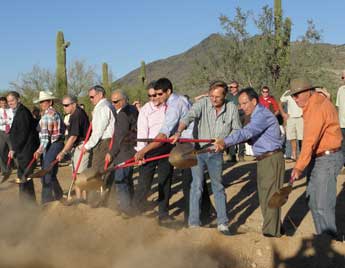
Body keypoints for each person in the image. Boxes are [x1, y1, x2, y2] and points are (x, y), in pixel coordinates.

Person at [135, 78, 212, 225]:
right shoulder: (177, 101)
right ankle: (204, 214)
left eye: (159, 94)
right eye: (154, 95)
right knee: (194, 180)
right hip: (184, 144)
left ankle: (193, 220)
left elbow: (163, 134)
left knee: (189, 182)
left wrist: (143, 150)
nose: (157, 98)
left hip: (189, 145)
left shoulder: (175, 105)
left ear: (168, 91)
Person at [172, 80, 241, 235]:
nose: (214, 99)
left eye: (217, 97)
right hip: (198, 152)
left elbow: (237, 131)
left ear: (225, 96)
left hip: (216, 153)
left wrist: (224, 142)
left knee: (218, 186)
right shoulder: (202, 103)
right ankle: (194, 223)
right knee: (196, 185)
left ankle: (223, 223)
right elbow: (188, 117)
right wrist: (178, 132)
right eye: (211, 96)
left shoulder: (231, 108)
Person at [214, 87, 285, 238]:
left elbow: (247, 132)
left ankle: (271, 233)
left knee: (270, 196)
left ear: (254, 101)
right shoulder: (256, 115)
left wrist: (225, 142)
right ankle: (274, 228)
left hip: (271, 159)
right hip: (264, 159)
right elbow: (249, 135)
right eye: (240, 104)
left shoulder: (261, 115)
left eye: (245, 103)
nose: (242, 107)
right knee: (265, 195)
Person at [289, 78, 343, 238]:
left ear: (308, 91)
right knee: (312, 199)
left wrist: (298, 167)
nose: (295, 98)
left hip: (327, 158)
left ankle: (329, 242)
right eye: (293, 96)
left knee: (322, 204)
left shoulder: (317, 107)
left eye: (297, 95)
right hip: (319, 157)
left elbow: (309, 141)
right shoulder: (312, 104)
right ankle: (322, 238)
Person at [134, 81, 174, 219]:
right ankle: (136, 209)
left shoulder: (169, 107)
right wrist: (141, 152)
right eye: (150, 96)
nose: (153, 98)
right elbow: (142, 133)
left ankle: (163, 213)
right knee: (144, 182)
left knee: (165, 180)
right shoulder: (145, 109)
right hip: (149, 148)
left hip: (167, 146)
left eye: (156, 95)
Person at [105, 90, 138, 217]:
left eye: (116, 101)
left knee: (121, 180)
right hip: (131, 149)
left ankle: (126, 208)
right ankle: (131, 206)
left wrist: (111, 153)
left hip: (124, 151)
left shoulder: (123, 114)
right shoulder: (132, 109)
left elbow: (119, 137)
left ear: (124, 100)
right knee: (128, 179)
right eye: (112, 101)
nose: (113, 104)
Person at [56, 95, 90, 204]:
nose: (64, 107)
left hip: (82, 146)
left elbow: (74, 136)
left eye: (66, 105)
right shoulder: (74, 114)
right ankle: (81, 198)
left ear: (74, 104)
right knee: (77, 174)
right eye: (63, 105)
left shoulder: (77, 115)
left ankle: (83, 200)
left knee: (80, 175)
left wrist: (63, 152)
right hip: (77, 147)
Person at [6, 91, 39, 202]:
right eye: (9, 101)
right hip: (22, 150)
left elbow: (23, 134)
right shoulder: (18, 112)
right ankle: (26, 203)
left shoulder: (23, 113)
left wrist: (14, 148)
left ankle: (28, 204)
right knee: (23, 175)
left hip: (26, 150)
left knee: (24, 176)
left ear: (18, 99)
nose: (10, 103)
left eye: (12, 100)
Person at [33, 91, 65, 204]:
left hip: (53, 144)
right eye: (41, 102)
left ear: (50, 102)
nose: (42, 104)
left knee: (46, 172)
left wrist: (39, 150)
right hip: (58, 144)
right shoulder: (56, 113)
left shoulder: (47, 116)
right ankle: (59, 194)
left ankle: (46, 201)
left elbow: (46, 138)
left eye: (44, 102)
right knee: (50, 172)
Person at [81, 85, 115, 174]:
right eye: (89, 97)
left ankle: (102, 187)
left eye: (92, 97)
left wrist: (87, 146)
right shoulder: (108, 105)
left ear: (100, 94)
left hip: (104, 142)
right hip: (107, 141)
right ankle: (108, 187)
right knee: (107, 170)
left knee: (98, 171)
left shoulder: (102, 107)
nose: (90, 99)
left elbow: (98, 131)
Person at [279, 90, 304, 161]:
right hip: (291, 118)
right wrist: (283, 114)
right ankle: (294, 154)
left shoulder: (301, 91)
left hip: (300, 117)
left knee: (301, 137)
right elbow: (280, 103)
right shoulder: (288, 93)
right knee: (292, 137)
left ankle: (302, 154)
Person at [226, 80, 245, 163]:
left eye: (233, 87)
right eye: (230, 87)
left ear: (237, 88)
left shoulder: (241, 95)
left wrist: (240, 107)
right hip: (230, 117)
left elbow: (245, 104)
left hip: (240, 116)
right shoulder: (228, 96)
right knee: (231, 137)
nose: (231, 89)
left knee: (241, 136)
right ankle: (232, 156)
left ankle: (241, 156)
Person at [0, 96, 13, 180]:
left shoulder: (10, 110)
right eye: (1, 103)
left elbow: (13, 120)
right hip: (1, 132)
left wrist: (5, 121)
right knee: (1, 152)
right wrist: (7, 120)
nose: (3, 104)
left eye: (4, 103)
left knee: (13, 150)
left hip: (10, 132)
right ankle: (4, 170)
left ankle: (18, 167)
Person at [336, 70, 345, 167]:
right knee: (342, 147)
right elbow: (338, 107)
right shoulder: (340, 90)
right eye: (342, 77)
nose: (343, 79)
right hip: (341, 124)